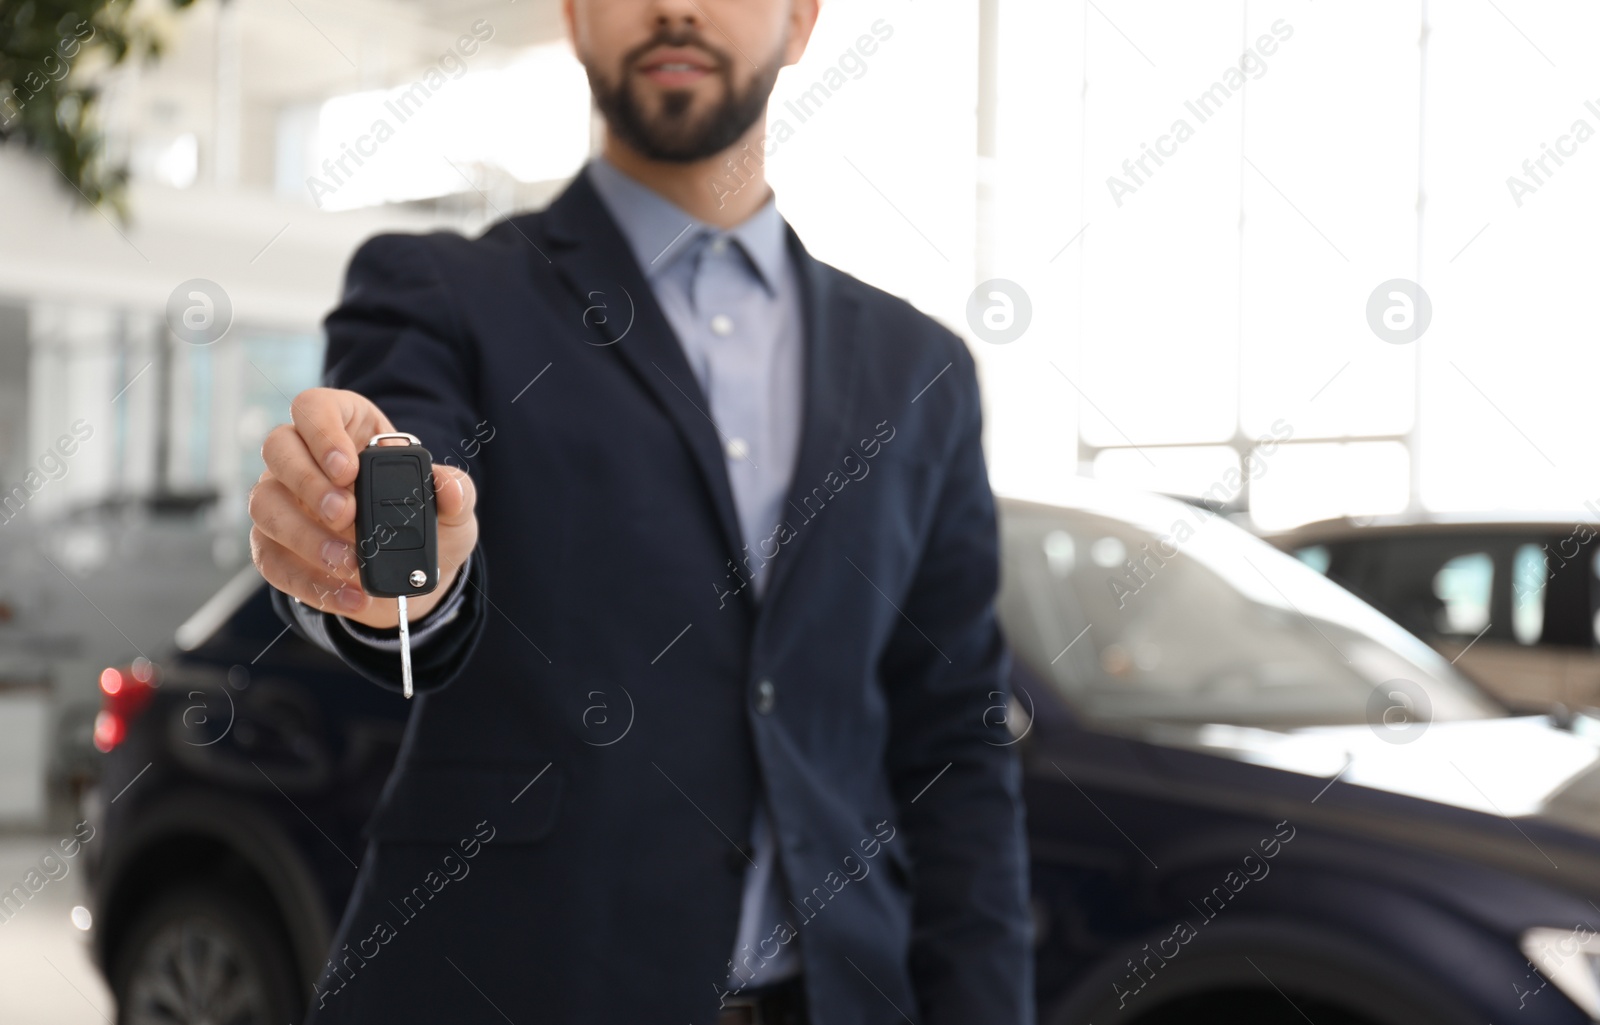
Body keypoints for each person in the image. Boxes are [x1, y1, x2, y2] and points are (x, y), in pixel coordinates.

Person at [248, 0, 1031, 1021]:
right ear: (575, 19)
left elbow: (957, 736)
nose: (676, 7)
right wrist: (392, 568)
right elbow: (406, 480)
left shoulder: (920, 371)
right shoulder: (442, 292)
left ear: (800, 23)